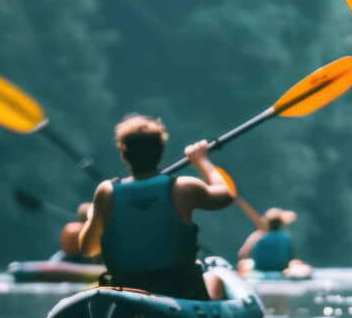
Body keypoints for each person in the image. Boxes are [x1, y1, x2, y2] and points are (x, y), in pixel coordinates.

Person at [79, 115, 235, 299]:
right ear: (161, 149)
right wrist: (202, 161)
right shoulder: (183, 188)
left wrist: (94, 215)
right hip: (181, 291)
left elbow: (88, 249)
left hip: (128, 291)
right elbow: (226, 195)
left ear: (123, 151)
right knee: (214, 277)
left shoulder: (106, 193)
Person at [237, 207, 298, 272]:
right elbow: (290, 258)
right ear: (281, 224)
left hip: (260, 268)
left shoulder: (257, 236)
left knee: (243, 263)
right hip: (280, 269)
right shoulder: (285, 238)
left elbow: (242, 254)